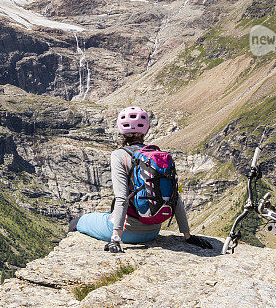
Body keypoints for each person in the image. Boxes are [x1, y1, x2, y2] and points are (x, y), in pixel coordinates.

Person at [70, 106, 213, 253]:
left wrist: (115, 239)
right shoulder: (157, 155)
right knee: (108, 214)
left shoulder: (119, 155)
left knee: (78, 221)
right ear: (146, 129)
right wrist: (188, 236)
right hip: (153, 231)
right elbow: (174, 196)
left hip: (128, 232)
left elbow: (122, 198)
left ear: (121, 130)